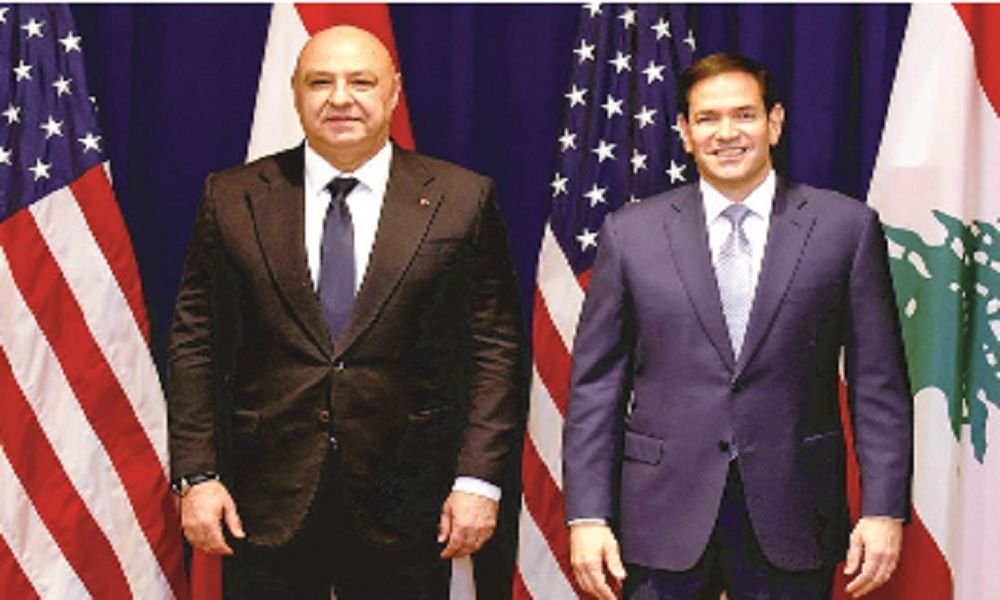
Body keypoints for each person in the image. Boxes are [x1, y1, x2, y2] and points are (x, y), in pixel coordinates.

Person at [167, 25, 523, 599]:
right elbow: (195, 344)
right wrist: (197, 475)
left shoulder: (461, 198)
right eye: (320, 82)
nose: (340, 98)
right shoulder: (233, 196)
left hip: (411, 498)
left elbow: (495, 349)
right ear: (295, 92)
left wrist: (479, 479)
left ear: (393, 91)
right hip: (263, 497)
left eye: (361, 82)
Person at [563, 52, 913, 600]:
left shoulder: (845, 229)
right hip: (661, 517)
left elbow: (879, 385)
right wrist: (587, 515)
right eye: (707, 118)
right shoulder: (630, 234)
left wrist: (884, 510)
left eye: (744, 115)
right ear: (684, 132)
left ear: (775, 122)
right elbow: (596, 387)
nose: (726, 133)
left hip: (795, 512)